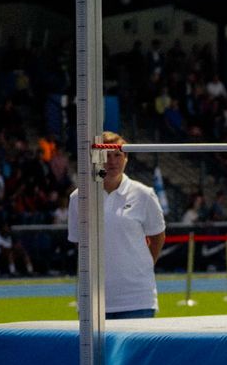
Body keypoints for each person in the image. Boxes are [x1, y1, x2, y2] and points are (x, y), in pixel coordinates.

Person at [65, 132, 166, 319]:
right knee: (95, 350)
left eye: (117, 155)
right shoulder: (78, 198)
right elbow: (80, 243)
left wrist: (143, 265)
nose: (112, 161)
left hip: (137, 299)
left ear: (126, 158)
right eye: (105, 155)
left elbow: (158, 235)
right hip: (94, 298)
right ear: (96, 158)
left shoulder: (144, 194)